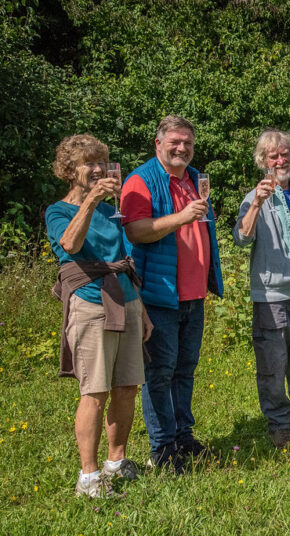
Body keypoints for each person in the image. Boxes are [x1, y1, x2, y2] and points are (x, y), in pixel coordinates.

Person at [46, 134, 151, 498]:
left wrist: (143, 309)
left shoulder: (112, 211)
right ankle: (88, 479)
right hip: (90, 302)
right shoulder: (57, 211)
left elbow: (125, 263)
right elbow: (71, 245)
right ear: (69, 169)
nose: (97, 169)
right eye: (88, 162)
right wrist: (90, 199)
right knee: (95, 391)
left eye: (101, 162)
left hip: (125, 299)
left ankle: (116, 462)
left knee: (127, 386)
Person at [121, 115, 223, 471]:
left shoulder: (196, 179)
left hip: (193, 295)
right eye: (175, 142)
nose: (182, 149)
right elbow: (135, 231)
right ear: (158, 144)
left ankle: (183, 436)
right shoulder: (141, 180)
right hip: (159, 294)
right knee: (160, 373)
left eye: (188, 144)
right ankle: (162, 450)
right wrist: (182, 217)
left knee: (185, 370)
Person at [233, 129, 290, 449]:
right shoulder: (254, 197)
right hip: (271, 296)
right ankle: (279, 424)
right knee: (273, 364)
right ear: (262, 162)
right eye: (273, 156)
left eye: (284, 154)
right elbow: (242, 238)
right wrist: (256, 203)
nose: (280, 160)